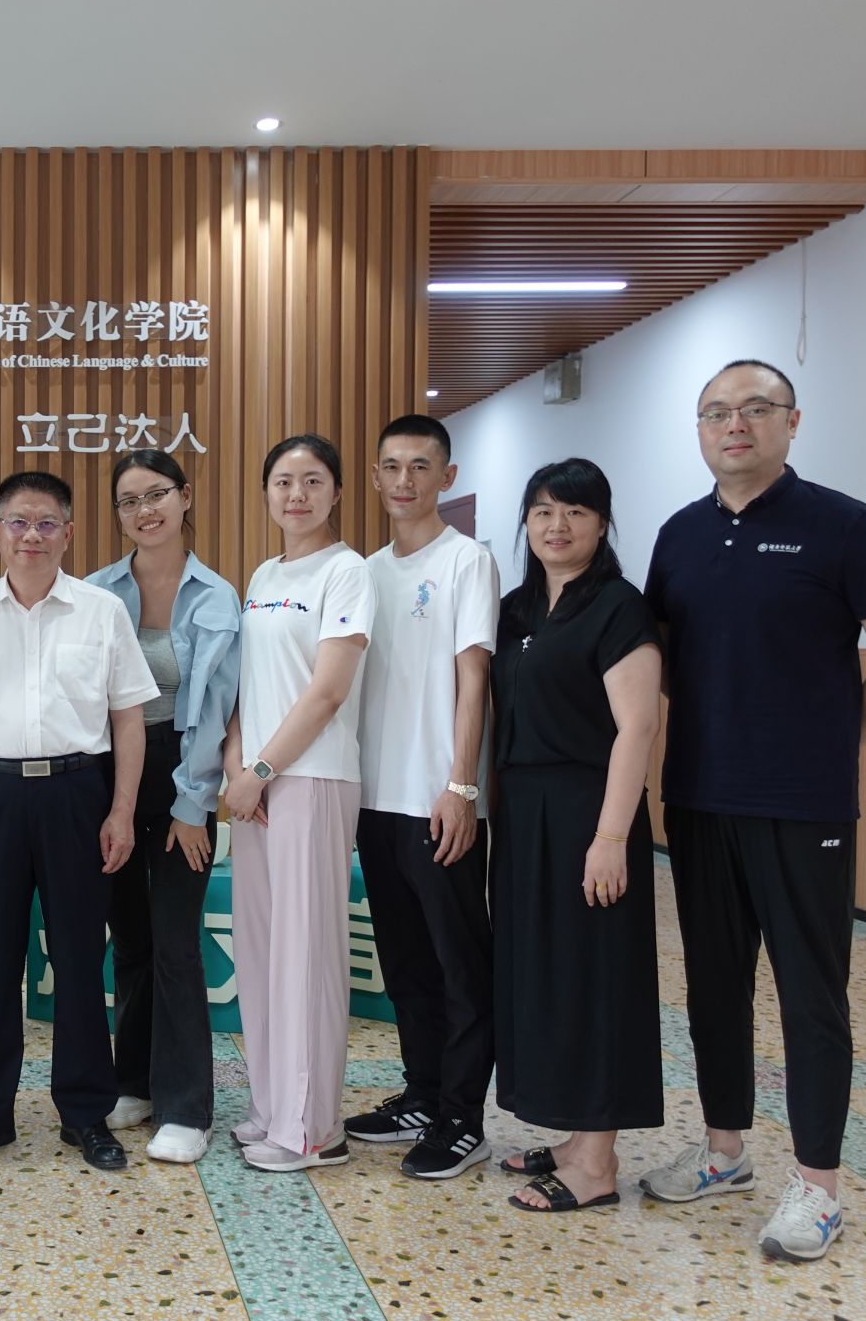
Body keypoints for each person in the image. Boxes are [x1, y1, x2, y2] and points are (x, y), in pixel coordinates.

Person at [642, 359, 866, 1261]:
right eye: (716, 412)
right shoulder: (680, 535)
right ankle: (723, 1149)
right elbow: (662, 667)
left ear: (791, 422)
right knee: (713, 987)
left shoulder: (846, 525)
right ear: (699, 430)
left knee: (811, 994)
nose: (735, 424)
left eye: (755, 408)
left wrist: (829, 746)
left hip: (804, 806)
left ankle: (818, 1186)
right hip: (698, 798)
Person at [0, 470, 157, 1172]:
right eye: (19, 522)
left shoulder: (101, 611)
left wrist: (121, 809)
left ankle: (85, 1114)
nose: (32, 535)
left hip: (77, 794)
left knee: (81, 958)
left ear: (69, 533)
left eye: (47, 522)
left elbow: (128, 717)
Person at [489, 459, 664, 1214]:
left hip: (590, 810)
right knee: (545, 973)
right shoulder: (517, 609)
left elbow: (638, 726)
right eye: (542, 511)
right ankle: (573, 1139)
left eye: (576, 512)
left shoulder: (619, 607)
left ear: (602, 522)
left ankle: (597, 1163)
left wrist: (611, 836)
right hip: (524, 811)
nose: (557, 526)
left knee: (597, 976)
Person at [346, 414, 501, 1181]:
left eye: (420, 465)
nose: (404, 479)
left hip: (439, 799)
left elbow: (475, 678)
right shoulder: (365, 572)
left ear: (447, 475)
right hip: (376, 799)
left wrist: (461, 784)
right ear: (375, 476)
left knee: (458, 964)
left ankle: (463, 1116)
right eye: (392, 465)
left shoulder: (467, 561)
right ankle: (422, 1092)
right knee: (404, 959)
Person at [223, 434, 374, 1173]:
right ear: (266, 493)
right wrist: (237, 767)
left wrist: (260, 768)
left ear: (337, 491)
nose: (297, 494)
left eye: (313, 480)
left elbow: (328, 690)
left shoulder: (347, 571)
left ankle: (313, 1130)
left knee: (306, 954)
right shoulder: (264, 574)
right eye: (283, 481)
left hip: (310, 778)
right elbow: (249, 683)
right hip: (258, 785)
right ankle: (272, 1108)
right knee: (262, 952)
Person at [84, 450, 240, 1165]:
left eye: (156, 495)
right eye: (129, 501)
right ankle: (135, 1082)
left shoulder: (217, 596)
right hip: (112, 776)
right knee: (130, 939)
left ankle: (186, 1106)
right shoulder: (96, 592)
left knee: (176, 941)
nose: (144, 511)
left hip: (185, 771)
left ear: (184, 497)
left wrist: (192, 802)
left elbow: (216, 708)